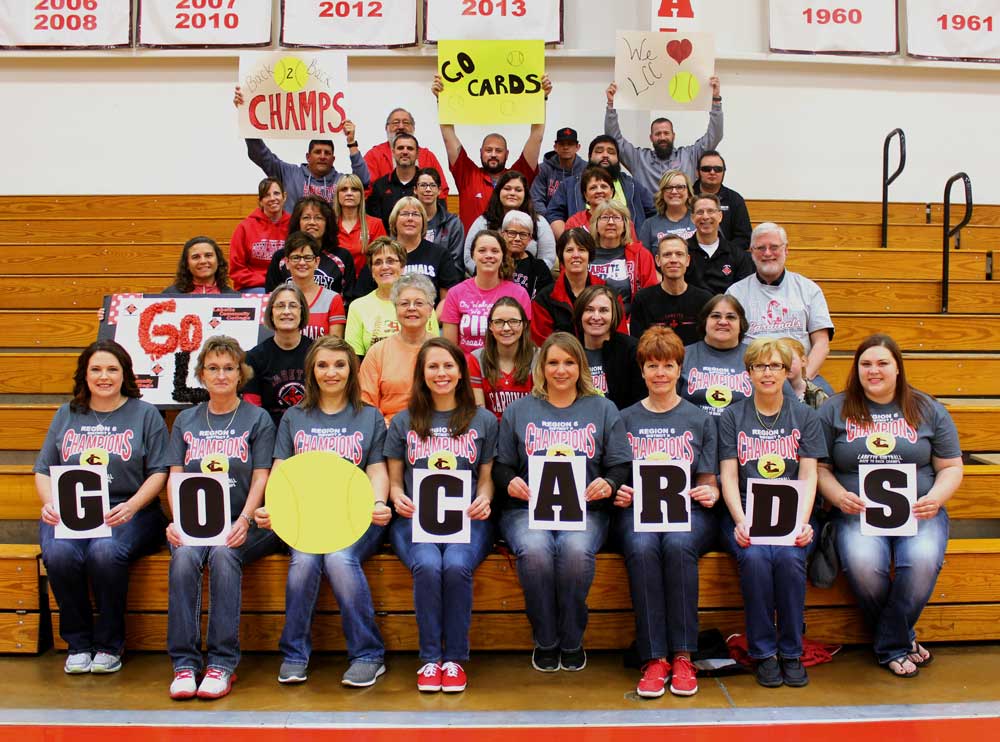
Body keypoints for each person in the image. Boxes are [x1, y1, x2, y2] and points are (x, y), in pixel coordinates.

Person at [817, 334, 962, 678]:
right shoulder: (834, 409)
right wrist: (837, 496)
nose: (874, 370)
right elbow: (819, 468)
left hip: (918, 510)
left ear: (898, 368)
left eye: (882, 363)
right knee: (865, 563)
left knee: (923, 559)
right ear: (856, 369)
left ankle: (891, 644)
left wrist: (936, 498)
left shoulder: (927, 408)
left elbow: (952, 467)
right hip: (857, 512)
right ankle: (901, 640)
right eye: (866, 364)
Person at [254, 336, 391, 688]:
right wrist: (271, 507)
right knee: (304, 561)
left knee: (339, 558)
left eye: (340, 365)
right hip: (308, 517)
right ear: (311, 371)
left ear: (352, 369)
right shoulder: (295, 417)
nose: (331, 372)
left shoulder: (369, 416)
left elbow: (376, 468)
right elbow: (281, 470)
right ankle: (294, 653)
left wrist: (378, 503)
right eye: (323, 365)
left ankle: (368, 654)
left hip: (357, 516)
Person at [494, 332, 632, 673]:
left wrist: (610, 482)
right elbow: (501, 465)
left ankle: (571, 638)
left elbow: (619, 464)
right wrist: (509, 481)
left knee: (574, 551)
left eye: (569, 362)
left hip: (586, 509)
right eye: (553, 362)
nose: (560, 370)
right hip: (526, 509)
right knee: (536, 550)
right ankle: (546, 639)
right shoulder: (519, 409)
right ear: (542, 367)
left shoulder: (602, 407)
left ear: (580, 366)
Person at [35, 340, 169, 675]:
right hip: (72, 510)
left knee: (105, 552)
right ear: (84, 374)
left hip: (130, 510)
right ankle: (78, 643)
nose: (104, 376)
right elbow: (42, 469)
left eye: (112, 369)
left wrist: (133, 506)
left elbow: (159, 472)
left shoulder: (145, 413)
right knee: (61, 554)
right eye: (96, 369)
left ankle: (110, 644)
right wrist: (50, 504)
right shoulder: (67, 413)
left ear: (125, 374)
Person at [166, 336, 280, 700]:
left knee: (223, 554)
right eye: (213, 368)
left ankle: (221, 662)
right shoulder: (185, 419)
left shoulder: (257, 418)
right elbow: (175, 475)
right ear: (201, 374)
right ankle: (184, 664)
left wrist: (244, 519)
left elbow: (262, 475)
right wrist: (178, 521)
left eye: (229, 368)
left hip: (243, 521)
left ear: (240, 373)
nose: (221, 375)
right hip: (197, 520)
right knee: (183, 556)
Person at [611, 327, 721, 698]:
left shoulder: (700, 419)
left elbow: (708, 478)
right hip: (638, 512)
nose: (660, 373)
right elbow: (617, 477)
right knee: (642, 548)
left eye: (668, 365)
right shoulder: (624, 418)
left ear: (679, 370)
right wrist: (620, 492)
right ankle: (654, 657)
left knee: (677, 544)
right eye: (652, 365)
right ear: (641, 370)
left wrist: (709, 490)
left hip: (688, 512)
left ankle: (684, 654)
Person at [385, 338, 497, 692]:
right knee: (429, 564)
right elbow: (393, 480)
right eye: (432, 366)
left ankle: (456, 660)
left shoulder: (484, 420)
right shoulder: (404, 421)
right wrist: (398, 497)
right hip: (415, 518)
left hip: (467, 519)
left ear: (462, 372)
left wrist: (483, 499)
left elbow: (486, 479)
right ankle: (431, 659)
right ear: (421, 374)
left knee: (456, 564)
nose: (441, 373)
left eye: (448, 366)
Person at [718, 338, 826, 689]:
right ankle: (764, 652)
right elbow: (729, 475)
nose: (768, 373)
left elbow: (809, 473)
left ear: (786, 370)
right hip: (745, 512)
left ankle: (791, 650)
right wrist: (739, 520)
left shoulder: (805, 416)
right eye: (760, 366)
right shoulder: (733, 415)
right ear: (748, 372)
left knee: (791, 558)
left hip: (792, 514)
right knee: (755, 559)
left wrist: (803, 522)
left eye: (775, 365)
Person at [431, 73, 552, 229]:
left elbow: (537, 137)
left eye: (498, 150)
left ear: (507, 154)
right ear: (481, 152)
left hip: (512, 248)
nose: (493, 154)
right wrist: (442, 100)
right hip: (474, 251)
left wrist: (541, 99)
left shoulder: (518, 175)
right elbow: (448, 136)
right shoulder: (467, 175)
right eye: (488, 150)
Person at [727, 222, 835, 394]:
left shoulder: (809, 289)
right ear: (752, 253)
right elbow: (727, 344)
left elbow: (822, 343)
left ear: (786, 250)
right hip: (752, 378)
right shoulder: (735, 293)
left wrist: (803, 382)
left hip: (799, 376)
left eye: (774, 247)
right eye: (760, 248)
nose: (767, 253)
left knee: (828, 405)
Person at [234, 86, 369, 211]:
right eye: (317, 152)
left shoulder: (341, 181)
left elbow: (363, 181)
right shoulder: (289, 174)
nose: (322, 156)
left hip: (329, 237)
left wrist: (351, 142)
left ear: (333, 159)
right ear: (308, 157)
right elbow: (260, 155)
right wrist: (246, 116)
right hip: (296, 236)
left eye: (327, 153)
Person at [604, 76, 723, 192]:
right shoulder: (638, 159)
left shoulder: (689, 156)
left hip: (684, 211)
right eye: (658, 134)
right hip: (649, 212)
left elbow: (714, 135)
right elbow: (614, 139)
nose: (662, 137)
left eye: (666, 133)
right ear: (651, 137)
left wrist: (715, 101)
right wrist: (611, 105)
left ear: (673, 135)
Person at [359, 273, 437, 424]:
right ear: (395, 309)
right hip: (388, 431)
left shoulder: (444, 351)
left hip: (435, 432)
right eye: (404, 303)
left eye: (419, 303)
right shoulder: (378, 352)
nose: (411, 308)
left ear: (430, 309)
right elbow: (366, 404)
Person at [344, 237, 440, 358]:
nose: (384, 267)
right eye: (378, 262)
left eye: (390, 261)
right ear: (372, 272)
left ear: (402, 267)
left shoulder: (422, 303)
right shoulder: (358, 307)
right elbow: (355, 358)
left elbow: (434, 351)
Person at [353, 198, 463, 302]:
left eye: (415, 214)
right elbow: (362, 296)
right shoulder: (380, 254)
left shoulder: (440, 254)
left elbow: (448, 299)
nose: (410, 218)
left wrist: (431, 319)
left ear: (423, 222)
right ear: (394, 221)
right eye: (404, 214)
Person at [441, 230, 532, 353]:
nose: (488, 255)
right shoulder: (455, 293)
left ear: (503, 255)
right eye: (482, 250)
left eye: (495, 251)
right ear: (473, 255)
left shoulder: (519, 294)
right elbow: (450, 349)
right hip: (467, 368)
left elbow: (524, 344)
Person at [530, 228, 626, 344]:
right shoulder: (544, 299)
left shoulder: (611, 295)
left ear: (590, 255)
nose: (576, 255)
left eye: (581, 250)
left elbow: (621, 339)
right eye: (569, 250)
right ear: (561, 256)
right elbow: (541, 345)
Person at [546, 135, 655, 238]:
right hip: (583, 250)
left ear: (618, 159)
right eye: (599, 151)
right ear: (589, 156)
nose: (605, 155)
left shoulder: (632, 185)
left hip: (627, 250)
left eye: (611, 152)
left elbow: (654, 212)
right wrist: (569, 241)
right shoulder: (570, 185)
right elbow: (554, 213)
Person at [243, 285, 313, 427]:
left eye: (293, 306)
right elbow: (253, 411)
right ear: (271, 313)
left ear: (302, 312)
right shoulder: (254, 357)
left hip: (311, 430)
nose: (286, 311)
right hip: (270, 431)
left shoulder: (317, 352)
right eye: (280, 306)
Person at [462, 170, 556, 274]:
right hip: (487, 279)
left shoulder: (539, 222)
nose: (512, 193)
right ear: (498, 192)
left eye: (518, 190)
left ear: (525, 194)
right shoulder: (483, 221)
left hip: (530, 281)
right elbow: (468, 257)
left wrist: (532, 277)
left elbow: (548, 258)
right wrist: (489, 275)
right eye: (507, 189)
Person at [630, 235, 713, 346]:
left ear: (687, 260)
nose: (673, 260)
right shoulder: (642, 300)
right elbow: (638, 345)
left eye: (679, 254)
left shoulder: (705, 300)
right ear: (658, 260)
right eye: (667, 255)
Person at [265, 196, 355, 297]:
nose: (312, 222)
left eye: (318, 218)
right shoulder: (281, 257)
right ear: (298, 223)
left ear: (327, 223)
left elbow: (348, 298)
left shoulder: (343, 257)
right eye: (306, 218)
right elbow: (271, 296)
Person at [681, 295, 753, 418]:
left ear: (741, 324)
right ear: (705, 321)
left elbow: (787, 404)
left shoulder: (757, 357)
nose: (723, 322)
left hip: (741, 434)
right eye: (715, 316)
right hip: (694, 434)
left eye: (731, 317)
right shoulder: (682, 356)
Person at [573, 285, 644, 410]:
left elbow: (639, 401)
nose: (596, 317)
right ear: (580, 314)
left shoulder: (632, 350)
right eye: (589, 310)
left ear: (613, 315)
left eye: (603, 310)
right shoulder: (569, 349)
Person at [468, 296, 537, 420]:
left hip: (528, 430)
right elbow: (479, 413)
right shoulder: (476, 359)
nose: (506, 328)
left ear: (524, 325)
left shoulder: (538, 357)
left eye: (514, 321)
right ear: (490, 326)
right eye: (499, 322)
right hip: (492, 433)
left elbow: (540, 408)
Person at [589, 201, 658, 317]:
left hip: (629, 323)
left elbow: (650, 296)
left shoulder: (640, 255)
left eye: (616, 218)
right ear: (595, 224)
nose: (610, 222)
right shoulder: (585, 253)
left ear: (625, 225)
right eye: (605, 217)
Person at [363, 107, 449, 198]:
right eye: (396, 123)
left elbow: (441, 190)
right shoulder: (374, 155)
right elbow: (367, 191)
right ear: (386, 128)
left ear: (413, 128)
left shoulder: (427, 156)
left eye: (406, 123)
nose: (401, 127)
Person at [277, 232, 346, 340]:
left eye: (308, 257)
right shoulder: (277, 299)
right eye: (296, 257)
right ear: (287, 262)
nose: (302, 262)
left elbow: (334, 345)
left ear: (317, 261)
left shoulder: (333, 299)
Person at [229, 178, 291, 292]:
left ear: (284, 196)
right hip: (255, 287)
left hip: (286, 285)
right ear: (260, 201)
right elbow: (236, 269)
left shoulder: (294, 225)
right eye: (267, 195)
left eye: (276, 193)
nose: (272, 198)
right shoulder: (245, 227)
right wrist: (268, 281)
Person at [685, 193, 754, 295]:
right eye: (700, 212)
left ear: (720, 216)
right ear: (692, 218)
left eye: (710, 211)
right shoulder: (682, 251)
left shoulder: (737, 255)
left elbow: (743, 294)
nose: (705, 216)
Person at [694, 150, 752, 251]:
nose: (712, 172)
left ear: (723, 172)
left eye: (718, 169)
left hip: (727, 258)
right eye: (706, 169)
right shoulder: (687, 196)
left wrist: (721, 251)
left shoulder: (735, 199)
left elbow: (745, 238)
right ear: (697, 172)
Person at [334, 174, 388, 276]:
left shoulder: (375, 224)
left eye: (354, 189)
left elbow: (382, 258)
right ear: (337, 195)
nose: (349, 193)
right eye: (344, 189)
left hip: (365, 284)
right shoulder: (329, 225)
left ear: (362, 195)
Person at [366, 133, 420, 230]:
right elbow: (373, 224)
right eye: (400, 148)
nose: (405, 152)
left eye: (410, 148)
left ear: (417, 154)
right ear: (393, 152)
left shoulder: (426, 185)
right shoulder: (380, 186)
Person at [416, 167, 465, 271]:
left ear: (439, 190)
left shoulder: (453, 223)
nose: (428, 189)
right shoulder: (406, 221)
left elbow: (456, 264)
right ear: (415, 190)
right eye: (423, 185)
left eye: (432, 185)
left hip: (444, 281)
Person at [638, 169, 696, 255]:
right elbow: (644, 261)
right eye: (668, 187)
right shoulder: (649, 225)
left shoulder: (699, 219)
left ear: (689, 192)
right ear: (662, 193)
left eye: (680, 187)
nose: (674, 191)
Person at [530, 126, 586, 214]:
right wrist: (550, 221)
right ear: (555, 147)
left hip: (579, 219)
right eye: (562, 144)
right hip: (549, 219)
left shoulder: (586, 170)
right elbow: (536, 199)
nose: (566, 147)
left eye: (570, 144)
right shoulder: (543, 169)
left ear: (577, 147)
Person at [504, 210, 554, 300]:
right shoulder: (494, 262)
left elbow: (545, 301)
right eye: (512, 233)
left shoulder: (539, 267)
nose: (517, 239)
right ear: (503, 234)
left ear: (529, 239)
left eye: (523, 234)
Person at [163, 237, 238, 295]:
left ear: (218, 261)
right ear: (187, 264)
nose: (203, 261)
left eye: (208, 255)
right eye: (196, 257)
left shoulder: (233, 299)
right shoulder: (170, 295)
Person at [783, 337, 829, 409]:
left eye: (790, 359)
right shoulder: (770, 392)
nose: (786, 364)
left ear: (803, 361)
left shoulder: (817, 395)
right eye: (780, 360)